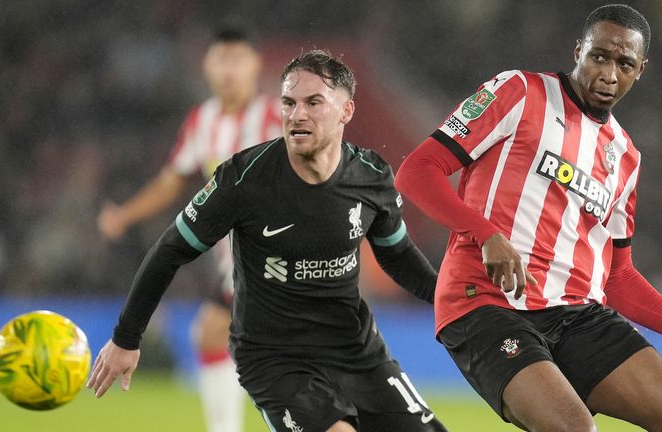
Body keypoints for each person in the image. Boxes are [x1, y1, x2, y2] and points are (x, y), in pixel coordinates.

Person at [395, 4, 662, 432]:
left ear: (642, 70)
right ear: (578, 50)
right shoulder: (519, 92)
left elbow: (618, 279)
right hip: (485, 303)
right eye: (599, 56)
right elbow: (417, 171)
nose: (609, 74)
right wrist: (486, 234)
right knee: (573, 429)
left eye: (625, 64)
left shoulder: (626, 157)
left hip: (576, 314)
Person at [87, 49, 448, 432]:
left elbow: (398, 255)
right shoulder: (242, 180)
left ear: (346, 111)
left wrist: (452, 295)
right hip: (276, 361)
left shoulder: (371, 176)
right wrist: (126, 338)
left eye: (313, 103)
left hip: (357, 352)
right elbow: (170, 250)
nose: (297, 115)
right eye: (289, 103)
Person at [96, 21, 280, 432]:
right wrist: (125, 214)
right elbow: (172, 180)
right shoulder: (203, 120)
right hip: (234, 261)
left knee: (221, 336)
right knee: (216, 336)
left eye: (238, 60)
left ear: (255, 65)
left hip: (274, 253)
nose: (229, 70)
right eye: (221, 59)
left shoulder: (276, 117)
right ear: (207, 67)